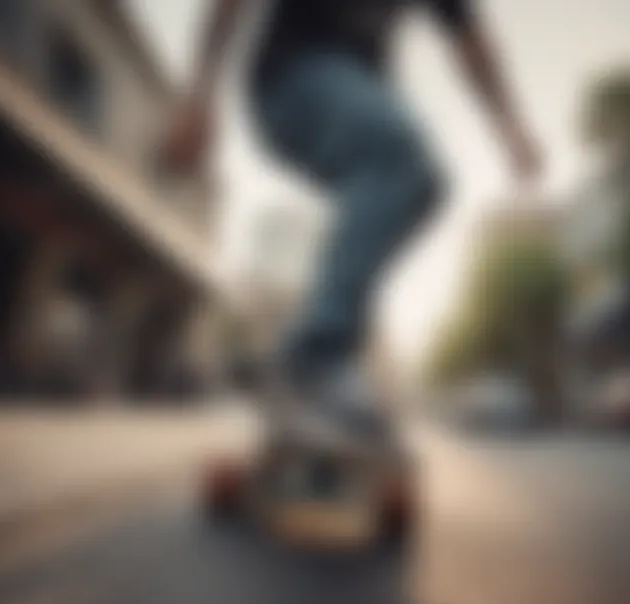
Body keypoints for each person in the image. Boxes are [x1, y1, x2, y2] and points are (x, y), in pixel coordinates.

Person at [162, 0, 543, 441]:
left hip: (361, 93)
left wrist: (511, 128)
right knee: (395, 150)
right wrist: (198, 94)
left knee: (425, 185)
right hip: (289, 80)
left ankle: (321, 355)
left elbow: (472, 45)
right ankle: (314, 361)